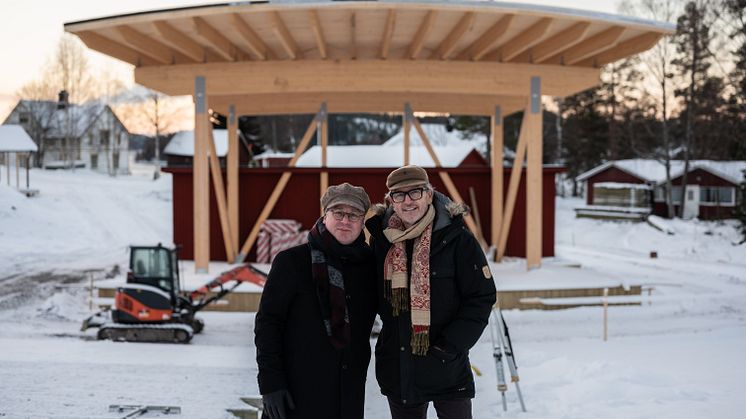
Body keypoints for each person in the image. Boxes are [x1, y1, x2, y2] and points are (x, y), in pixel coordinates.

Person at [366, 165, 497, 419]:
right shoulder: (381, 240)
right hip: (399, 369)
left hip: (447, 366)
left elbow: (480, 297)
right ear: (390, 200)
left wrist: (451, 346)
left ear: (429, 194)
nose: (408, 202)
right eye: (399, 195)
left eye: (415, 193)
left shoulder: (457, 239)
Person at [255, 183, 377, 419]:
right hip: (295, 393)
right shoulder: (292, 262)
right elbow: (268, 324)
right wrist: (270, 384)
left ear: (363, 221)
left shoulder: (371, 267)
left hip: (347, 394)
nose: (345, 220)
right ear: (325, 215)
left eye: (353, 214)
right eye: (338, 212)